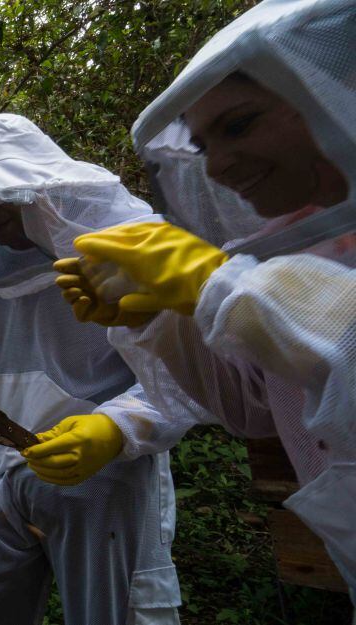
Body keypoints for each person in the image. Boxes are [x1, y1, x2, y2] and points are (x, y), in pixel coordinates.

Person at [50, 0, 356, 598]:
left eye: (238, 125)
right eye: (203, 143)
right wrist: (168, 321)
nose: (217, 166)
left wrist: (215, 285)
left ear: (328, 89)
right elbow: (254, 410)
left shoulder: (247, 272)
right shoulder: (268, 252)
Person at [0, 114, 182, 625]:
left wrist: (116, 427)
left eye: (4, 207)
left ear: (41, 190)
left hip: (105, 471)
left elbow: (180, 374)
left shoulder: (121, 244)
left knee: (117, 614)